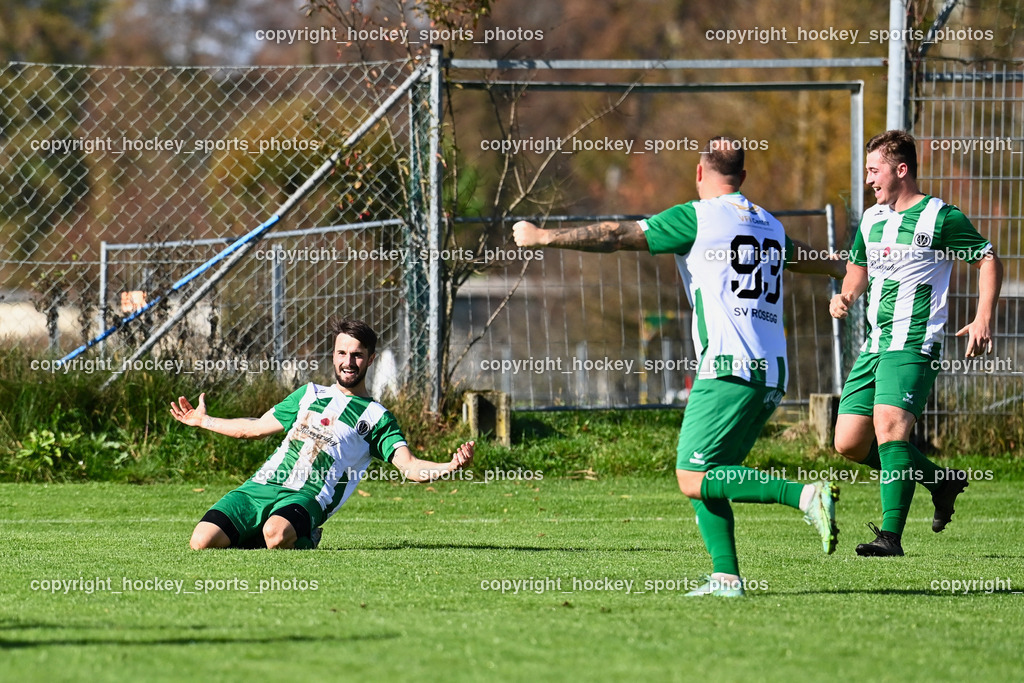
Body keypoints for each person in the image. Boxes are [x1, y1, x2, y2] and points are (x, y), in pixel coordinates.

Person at [513, 136, 845, 596]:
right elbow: (809, 259)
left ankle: (806, 496)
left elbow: (613, 235)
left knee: (692, 476)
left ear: (698, 171)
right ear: (743, 179)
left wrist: (542, 237)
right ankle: (726, 578)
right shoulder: (769, 223)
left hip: (727, 367)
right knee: (712, 473)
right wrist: (841, 271)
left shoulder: (696, 216)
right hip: (772, 372)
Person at [830, 130, 1002, 557]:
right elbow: (857, 267)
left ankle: (890, 538)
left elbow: (987, 258)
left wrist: (983, 317)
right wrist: (848, 294)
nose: (869, 179)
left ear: (900, 170)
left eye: (874, 170)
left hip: (914, 344)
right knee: (849, 443)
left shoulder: (941, 217)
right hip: (875, 345)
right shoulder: (872, 219)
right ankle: (939, 481)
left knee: (890, 430)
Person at [171, 318, 474, 550]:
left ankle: (304, 536)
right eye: (342, 352)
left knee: (275, 535)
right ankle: (268, 526)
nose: (348, 362)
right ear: (333, 354)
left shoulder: (377, 416)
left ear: (370, 359)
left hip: (308, 495)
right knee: (201, 541)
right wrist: (204, 421)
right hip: (262, 485)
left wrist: (448, 467)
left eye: (357, 355)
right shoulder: (308, 394)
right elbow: (252, 429)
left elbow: (408, 466)